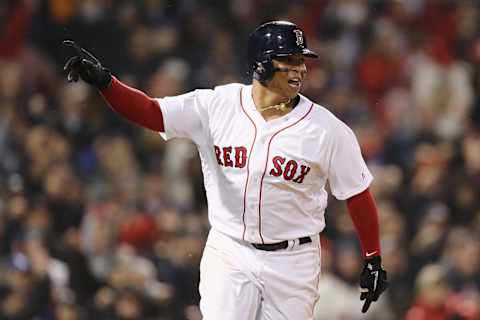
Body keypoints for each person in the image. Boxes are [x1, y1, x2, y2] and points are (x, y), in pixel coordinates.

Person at [63, 20, 388, 319]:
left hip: (294, 261)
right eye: (288, 60)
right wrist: (107, 84)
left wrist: (373, 258)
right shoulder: (216, 105)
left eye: (301, 61)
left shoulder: (328, 130)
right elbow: (152, 112)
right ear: (261, 63)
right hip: (230, 250)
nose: (299, 69)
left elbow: (357, 195)